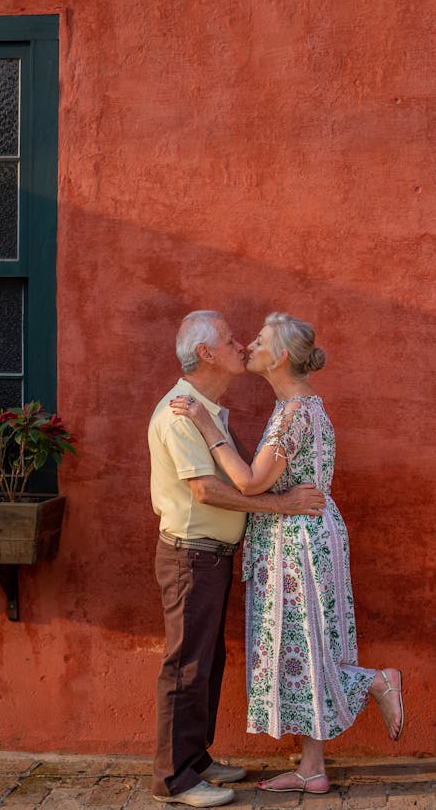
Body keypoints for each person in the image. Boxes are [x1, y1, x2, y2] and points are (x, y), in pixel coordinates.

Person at [171, 312, 403, 796]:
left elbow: (252, 481)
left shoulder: (297, 412)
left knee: (304, 649)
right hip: (300, 539)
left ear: (278, 357)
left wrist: (204, 422)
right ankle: (312, 767)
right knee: (302, 650)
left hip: (298, 547)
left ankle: (377, 682)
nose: (248, 345)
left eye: (257, 341)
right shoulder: (296, 408)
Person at [148, 310, 327, 808]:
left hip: (212, 556)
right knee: (185, 665)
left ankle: (196, 758)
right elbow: (207, 490)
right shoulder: (184, 411)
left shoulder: (208, 409)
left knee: (206, 662)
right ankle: (174, 779)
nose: (240, 347)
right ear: (206, 354)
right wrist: (282, 505)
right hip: (190, 555)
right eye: (230, 341)